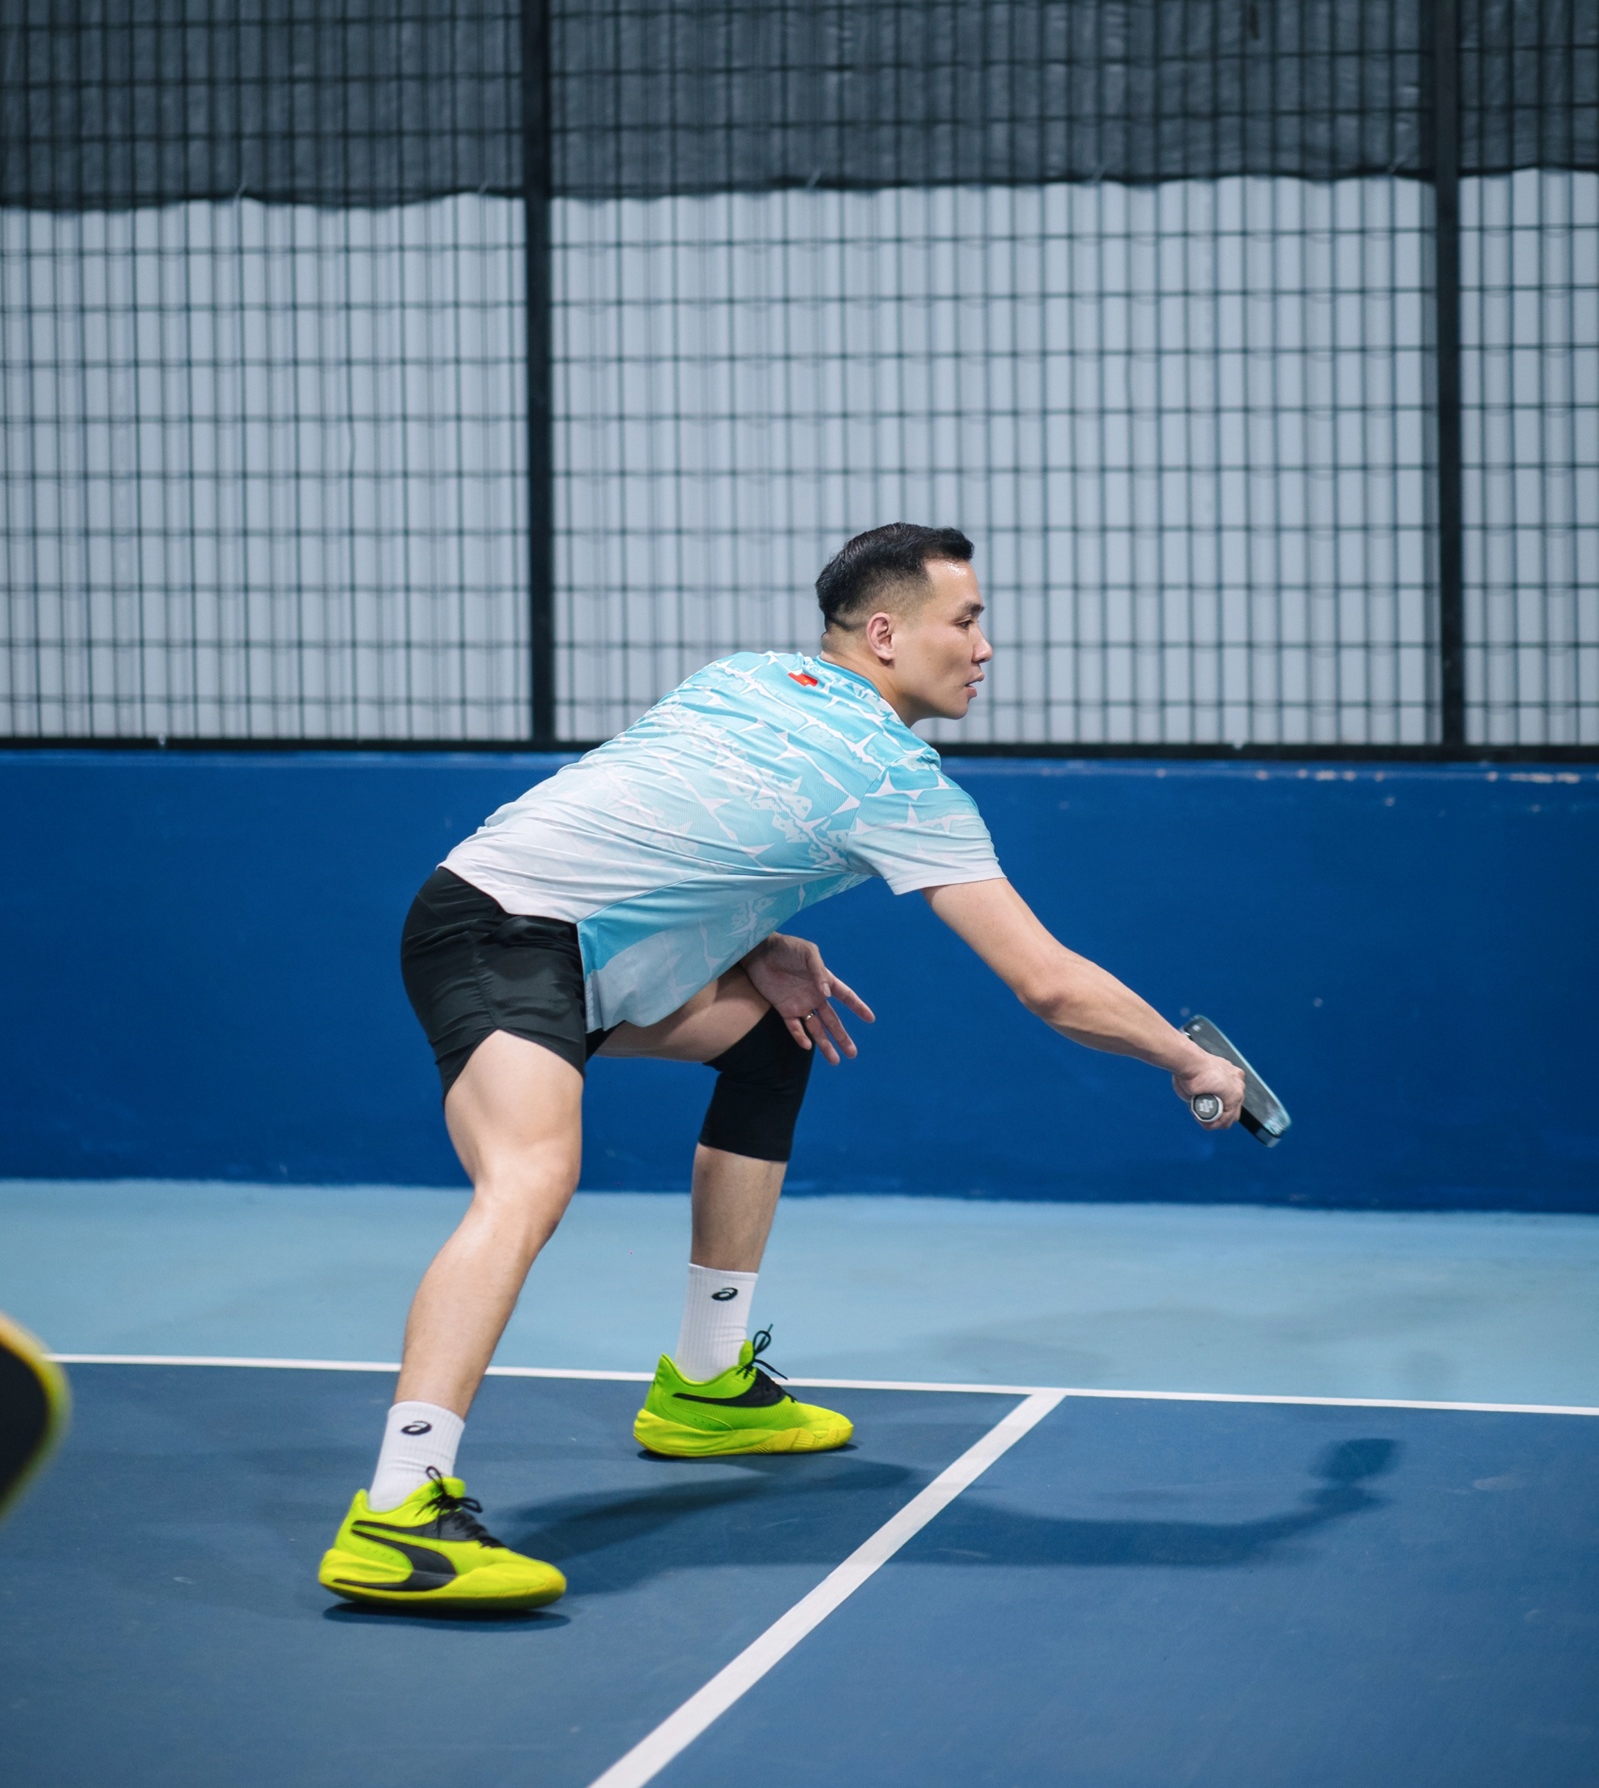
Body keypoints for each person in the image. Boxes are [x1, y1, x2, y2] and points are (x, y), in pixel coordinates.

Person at [318, 523, 1245, 1611]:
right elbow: (1048, 984)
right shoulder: (896, 783)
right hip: (506, 935)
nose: (984, 647)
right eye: (967, 621)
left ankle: (708, 1386)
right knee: (528, 1179)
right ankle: (399, 1513)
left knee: (768, 1039)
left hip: (543, 933)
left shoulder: (748, 678)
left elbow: (656, 822)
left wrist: (754, 940)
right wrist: (1185, 1059)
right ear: (887, 634)